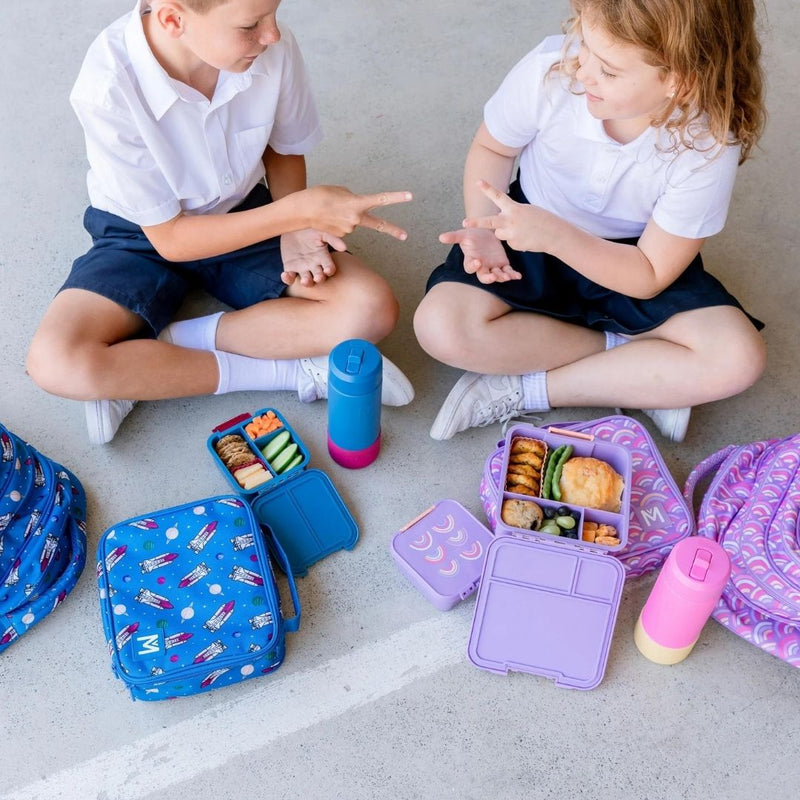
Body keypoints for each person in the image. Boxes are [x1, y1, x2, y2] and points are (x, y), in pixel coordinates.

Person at [26, 0, 414, 444]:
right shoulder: (107, 87)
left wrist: (294, 227)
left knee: (371, 309)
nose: (272, 34)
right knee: (56, 360)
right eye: (251, 24)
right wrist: (297, 212)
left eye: (273, 14)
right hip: (139, 232)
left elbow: (283, 148)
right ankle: (288, 372)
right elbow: (170, 239)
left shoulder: (270, 46)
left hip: (246, 210)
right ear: (174, 19)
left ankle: (147, 361)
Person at [414, 0, 767, 443]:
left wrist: (559, 237)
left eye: (609, 70)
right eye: (584, 45)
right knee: (440, 327)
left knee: (739, 358)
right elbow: (494, 150)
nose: (582, 73)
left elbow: (651, 273)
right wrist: (484, 229)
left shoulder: (708, 141)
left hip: (631, 257)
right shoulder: (553, 71)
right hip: (527, 227)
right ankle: (639, 366)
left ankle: (530, 389)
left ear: (680, 82)